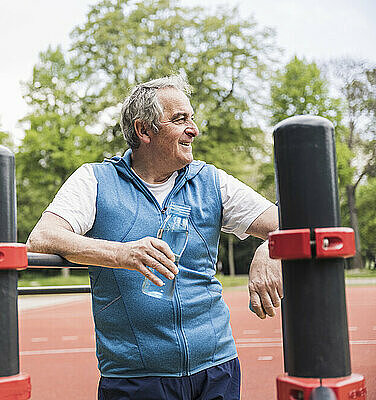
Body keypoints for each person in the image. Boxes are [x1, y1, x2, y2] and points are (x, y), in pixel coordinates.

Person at [26, 75, 282, 400]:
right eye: (180, 120)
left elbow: (285, 225)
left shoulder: (210, 180)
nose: (194, 129)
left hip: (217, 367)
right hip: (134, 380)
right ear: (143, 130)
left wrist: (268, 250)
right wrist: (122, 255)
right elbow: (42, 237)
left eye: (192, 118)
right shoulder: (94, 179)